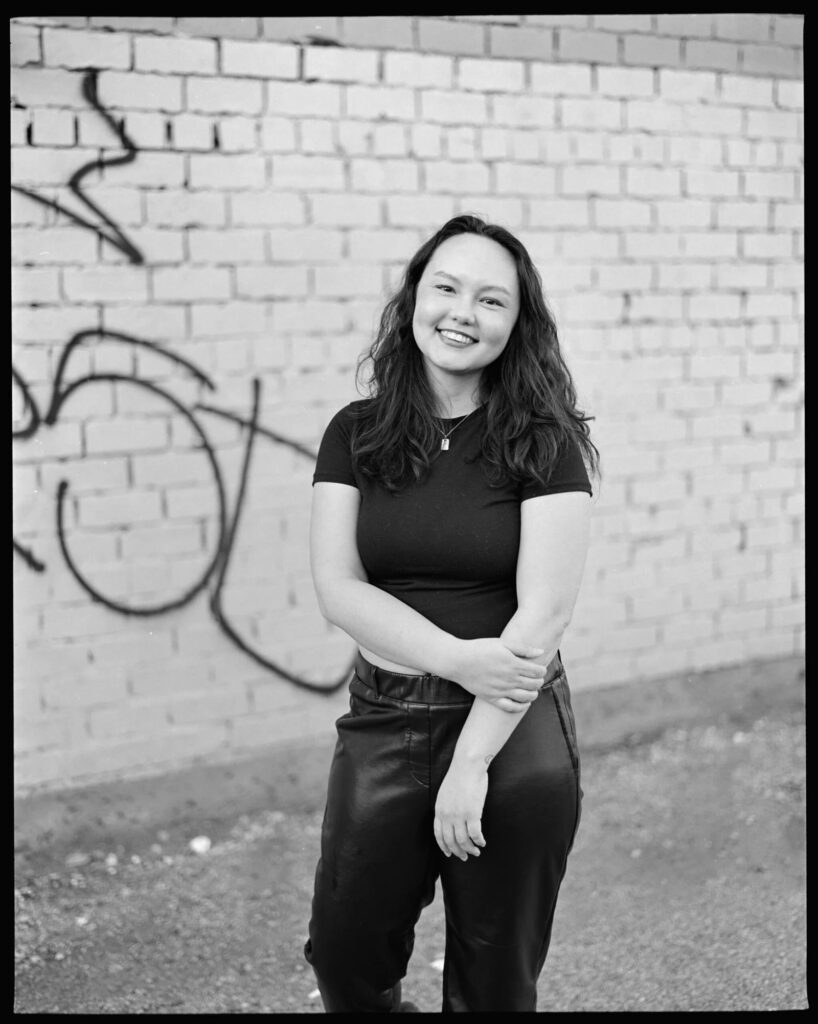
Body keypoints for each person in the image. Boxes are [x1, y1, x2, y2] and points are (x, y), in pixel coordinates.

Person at [303, 214, 599, 1013]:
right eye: (447, 287)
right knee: (344, 954)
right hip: (389, 717)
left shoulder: (547, 441)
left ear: (516, 324)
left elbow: (543, 616)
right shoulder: (355, 433)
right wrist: (459, 657)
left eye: (492, 299)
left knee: (492, 981)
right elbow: (340, 590)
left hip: (514, 728)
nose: (464, 311)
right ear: (414, 302)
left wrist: (471, 763)